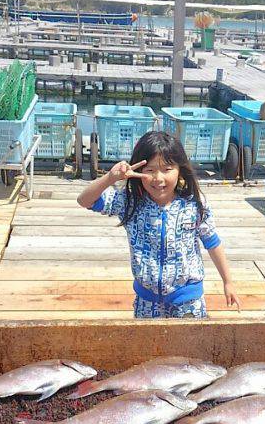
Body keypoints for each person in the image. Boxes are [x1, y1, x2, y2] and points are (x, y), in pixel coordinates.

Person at [77, 131, 241, 319]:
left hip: (188, 300)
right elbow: (84, 200)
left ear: (180, 170)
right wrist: (110, 178)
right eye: (150, 170)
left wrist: (228, 282)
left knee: (189, 347)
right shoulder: (130, 202)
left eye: (167, 169)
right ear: (138, 172)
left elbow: (212, 242)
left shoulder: (194, 203)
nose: (158, 178)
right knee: (148, 348)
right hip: (147, 301)